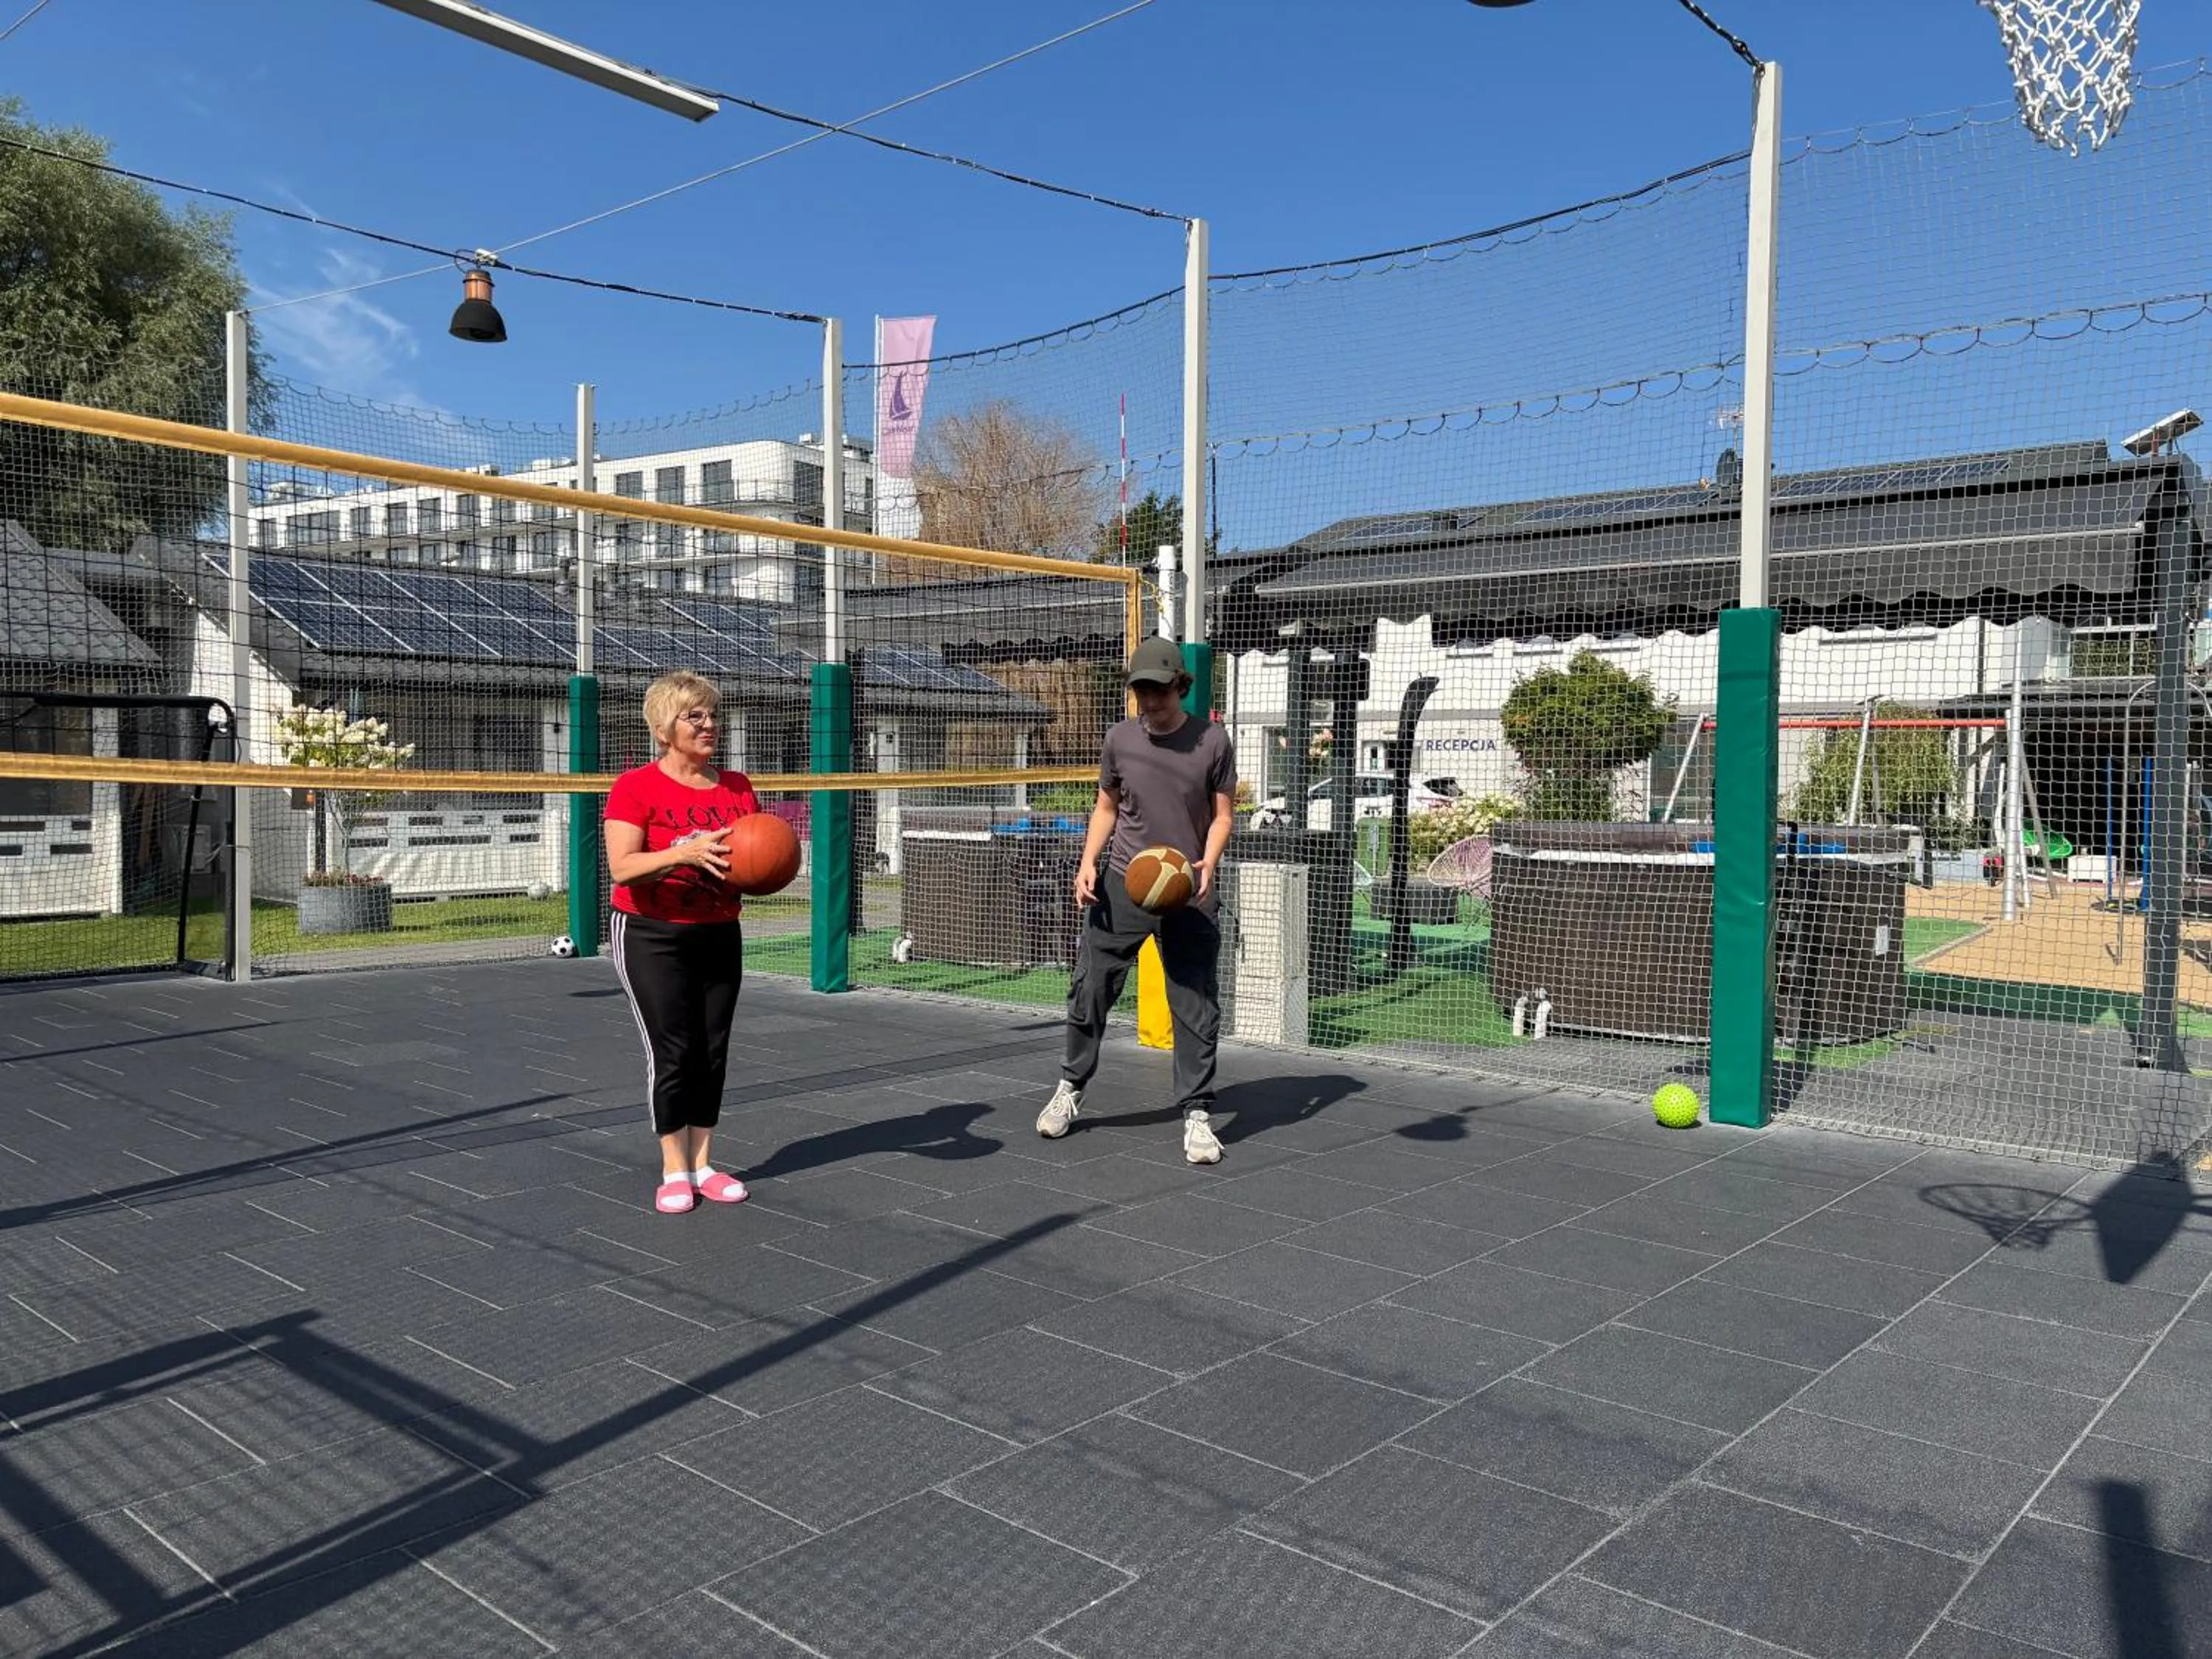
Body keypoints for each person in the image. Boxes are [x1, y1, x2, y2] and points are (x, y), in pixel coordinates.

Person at [1038, 637, 1237, 1164]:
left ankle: (1197, 1112)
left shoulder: (1213, 742)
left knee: (1195, 1004)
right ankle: (1071, 1086)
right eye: (1141, 691)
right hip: (1124, 881)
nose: (1150, 701)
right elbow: (1106, 807)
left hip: (1187, 890)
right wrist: (1088, 862)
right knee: (1090, 989)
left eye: (1159, 691)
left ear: (1180, 686)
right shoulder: (1119, 739)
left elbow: (1223, 816)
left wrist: (1209, 861)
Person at [604, 671, 759, 1214]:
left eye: (712, 714)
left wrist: (766, 868)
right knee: (673, 1051)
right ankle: (674, 1169)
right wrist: (684, 853)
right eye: (695, 716)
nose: (709, 724)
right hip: (651, 932)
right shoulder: (635, 787)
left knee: (712, 1049)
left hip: (719, 929)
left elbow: (748, 859)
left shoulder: (737, 787)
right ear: (664, 728)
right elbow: (623, 867)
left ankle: (703, 1165)